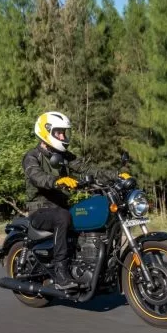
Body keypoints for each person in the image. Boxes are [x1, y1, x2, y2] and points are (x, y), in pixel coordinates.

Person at [22, 111, 130, 290]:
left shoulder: (64, 156)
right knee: (62, 217)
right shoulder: (32, 156)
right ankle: (60, 272)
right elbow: (36, 176)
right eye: (59, 132)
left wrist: (117, 176)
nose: (63, 136)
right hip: (40, 209)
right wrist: (57, 181)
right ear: (46, 131)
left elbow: (88, 169)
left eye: (65, 132)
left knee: (94, 214)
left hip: (63, 206)